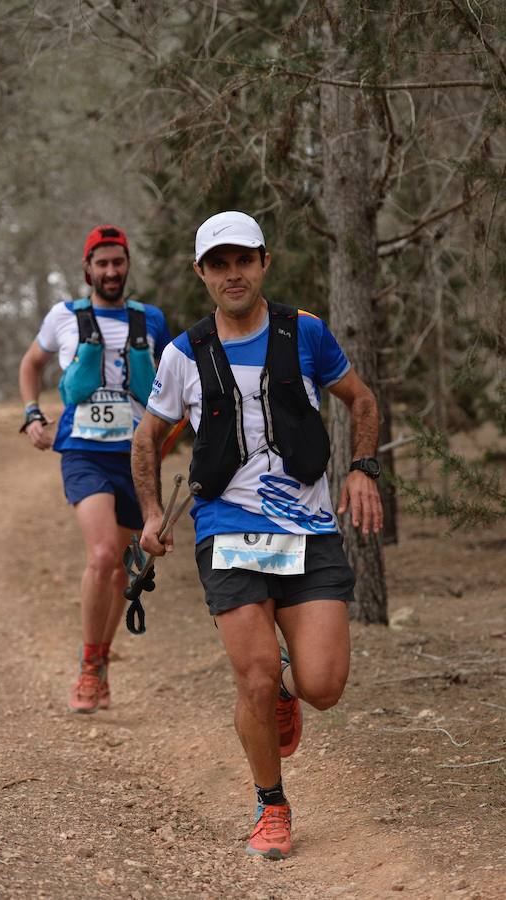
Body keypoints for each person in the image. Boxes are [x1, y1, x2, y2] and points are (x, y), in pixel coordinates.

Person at [131, 211, 383, 859]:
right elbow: (148, 438)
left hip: (309, 531)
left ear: (264, 262)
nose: (232, 274)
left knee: (323, 686)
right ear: (202, 274)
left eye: (243, 260)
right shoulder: (185, 354)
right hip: (227, 531)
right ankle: (271, 804)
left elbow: (362, 399)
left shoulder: (306, 333)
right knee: (254, 673)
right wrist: (153, 515)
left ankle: (285, 692)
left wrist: (362, 469)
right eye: (219, 264)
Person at [19, 224, 171, 714]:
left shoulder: (150, 320)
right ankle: (87, 666)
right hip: (83, 452)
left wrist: (169, 440)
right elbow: (31, 364)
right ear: (87, 268)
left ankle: (101, 663)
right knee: (103, 554)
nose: (110, 271)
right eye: (101, 263)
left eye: (118, 262)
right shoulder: (64, 316)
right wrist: (31, 413)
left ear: (128, 266)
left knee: (118, 576)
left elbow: (173, 384)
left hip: (136, 458)